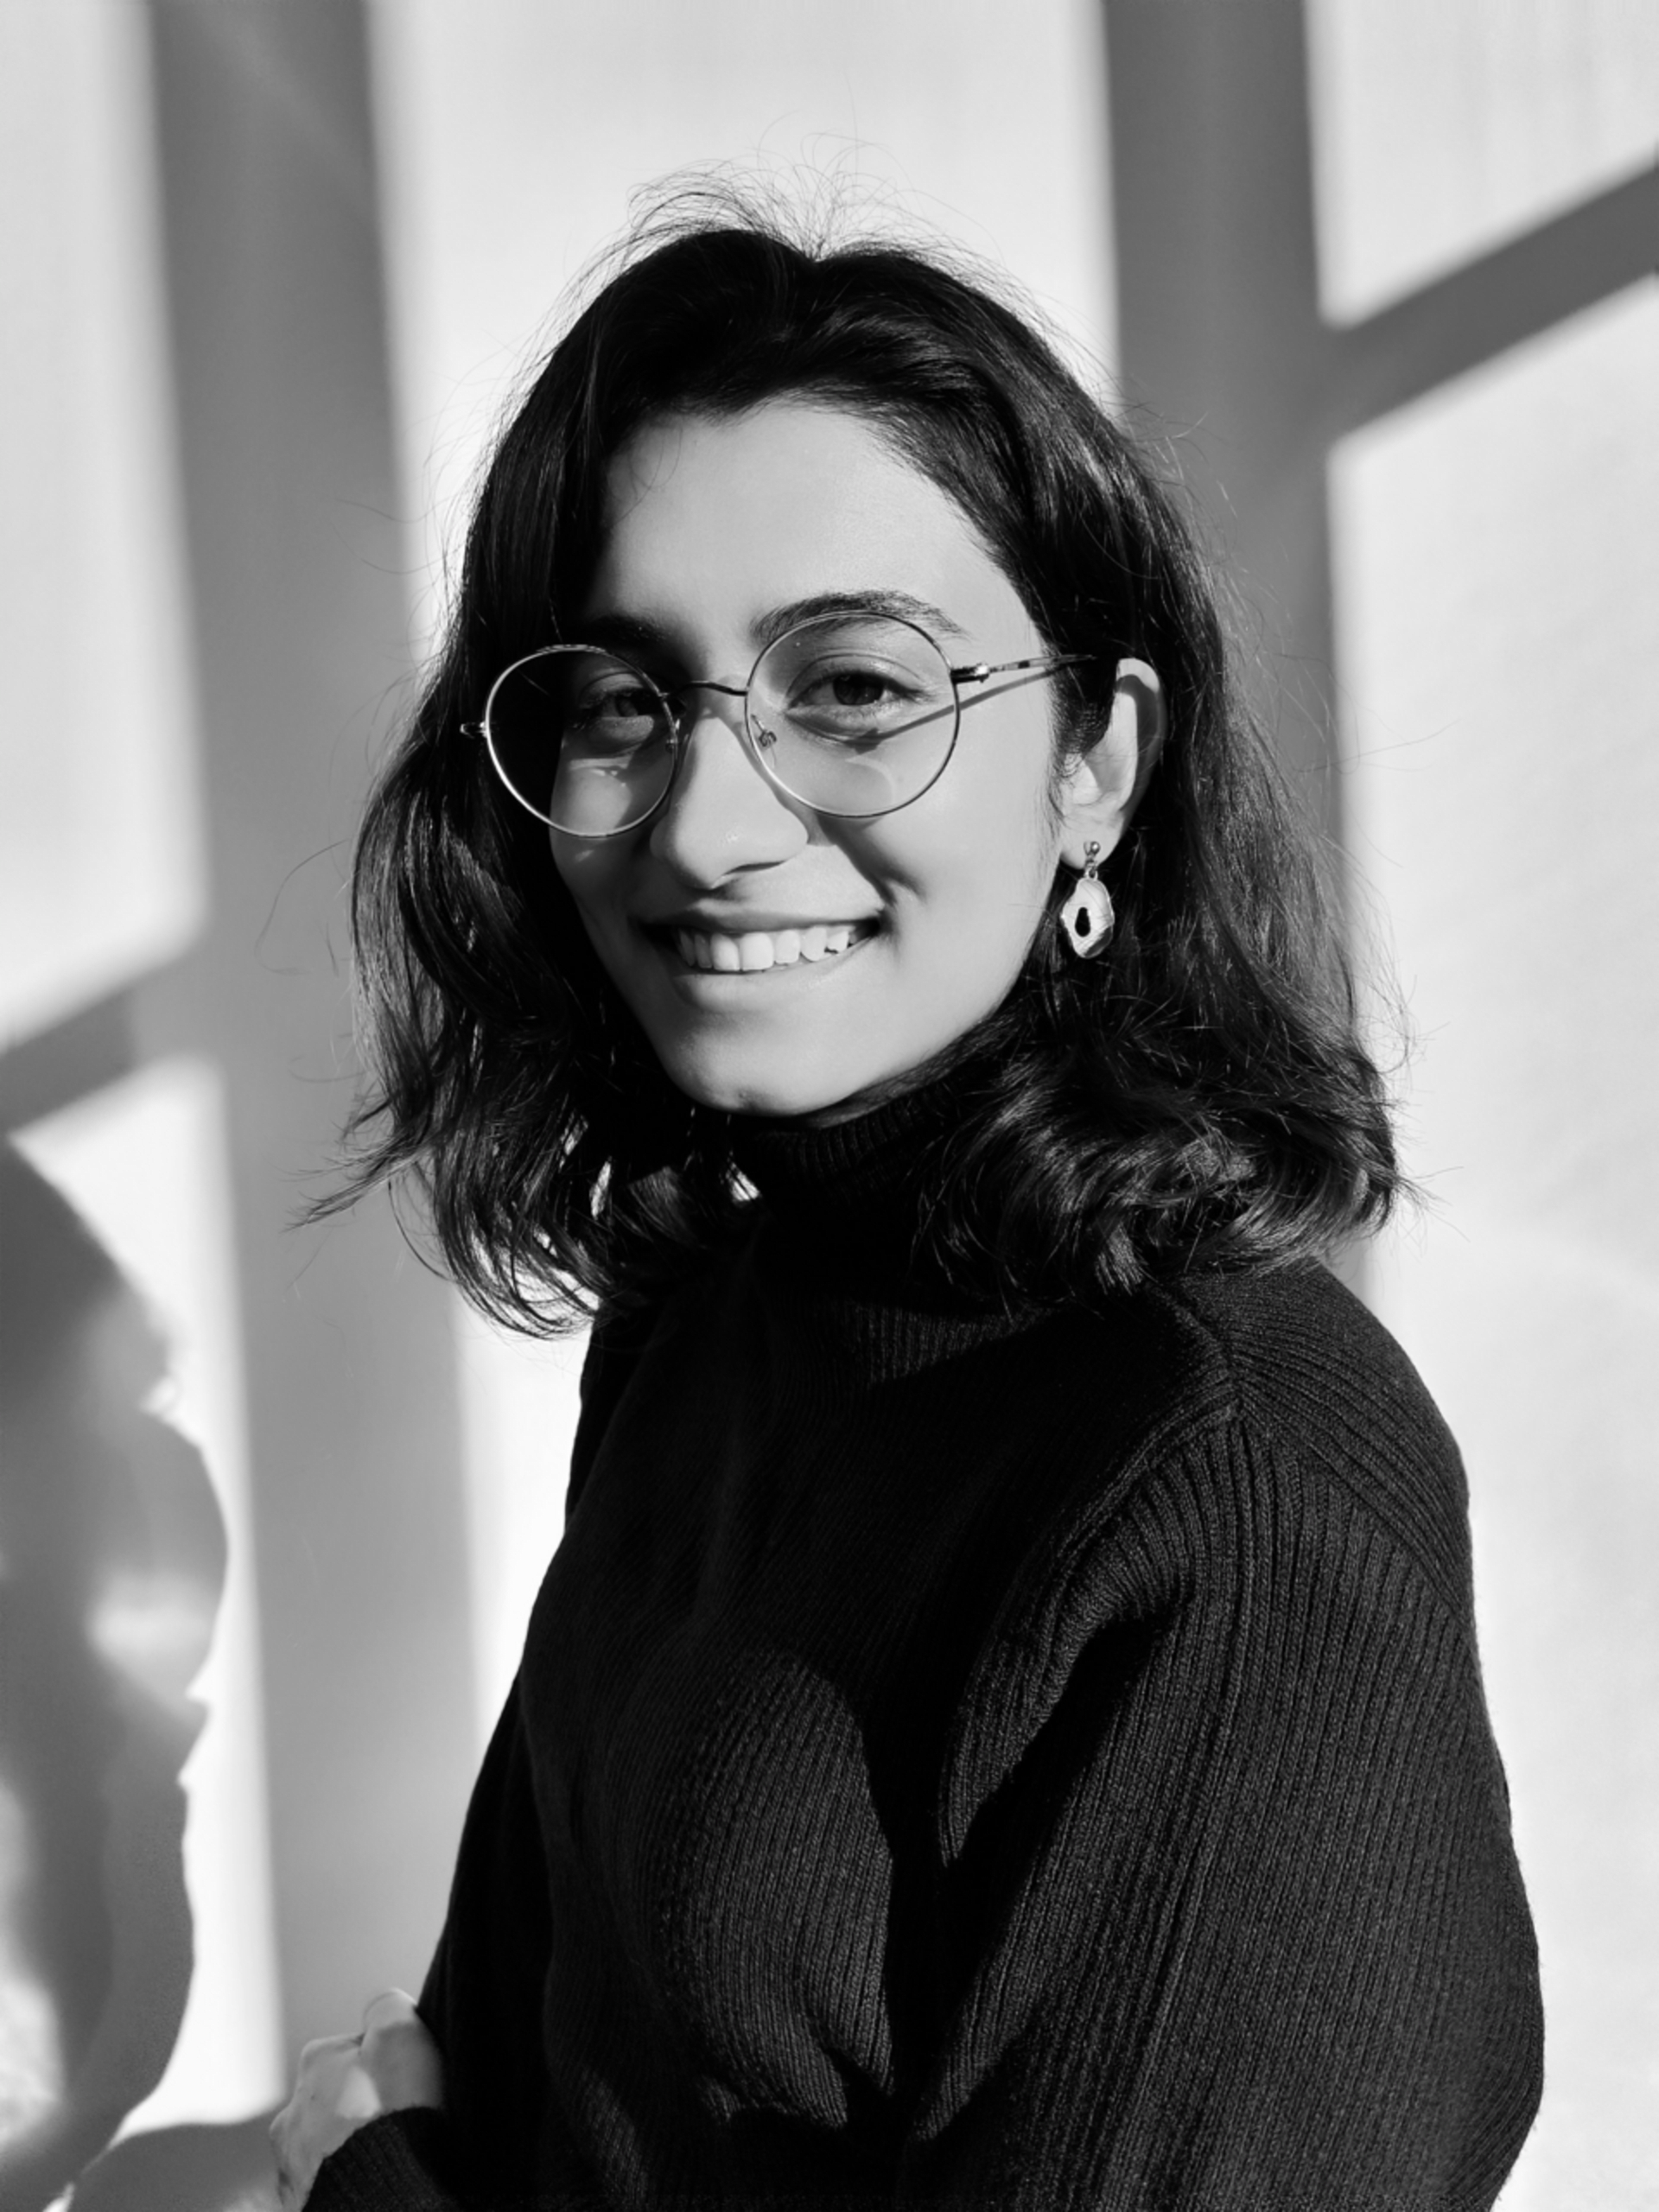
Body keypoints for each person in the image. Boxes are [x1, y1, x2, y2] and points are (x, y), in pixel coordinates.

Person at [273, 194, 1542, 2210]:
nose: (708, 820)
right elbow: (513, 2076)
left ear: (1096, 762)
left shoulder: (1233, 1494)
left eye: (856, 689)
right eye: (624, 698)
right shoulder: (708, 1319)